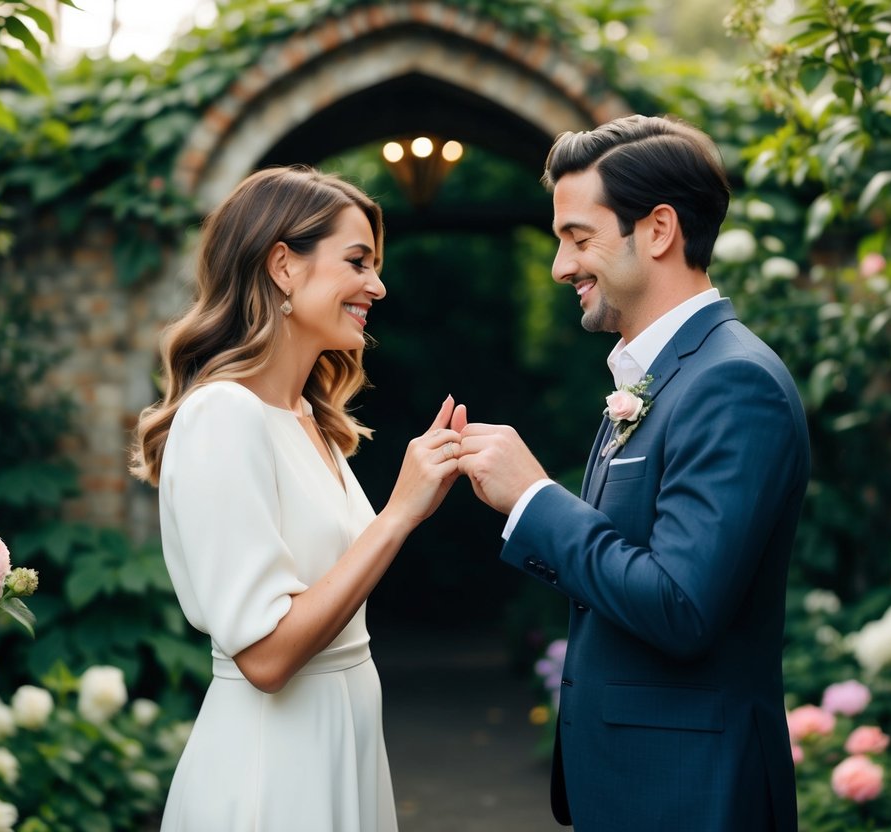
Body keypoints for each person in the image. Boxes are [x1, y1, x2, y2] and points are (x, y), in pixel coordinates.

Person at [455, 115, 810, 831]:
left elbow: (680, 607)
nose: (560, 267)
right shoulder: (659, 375)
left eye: (577, 239)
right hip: (636, 788)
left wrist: (532, 499)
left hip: (693, 795)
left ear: (656, 230)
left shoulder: (732, 382)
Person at [130, 166, 465, 831]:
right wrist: (400, 513)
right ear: (283, 265)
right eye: (357, 262)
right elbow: (267, 656)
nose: (377, 285)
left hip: (344, 740)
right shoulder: (223, 415)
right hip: (272, 771)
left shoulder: (315, 421)